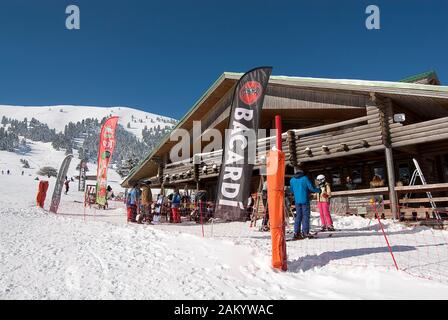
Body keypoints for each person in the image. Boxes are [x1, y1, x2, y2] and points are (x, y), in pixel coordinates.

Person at [289, 167, 320, 240]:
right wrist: (318, 190)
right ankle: (305, 232)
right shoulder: (305, 178)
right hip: (305, 200)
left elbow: (292, 190)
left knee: (298, 216)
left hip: (297, 200)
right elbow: (311, 188)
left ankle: (296, 233)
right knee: (305, 216)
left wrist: (297, 193)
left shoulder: (292, 180)